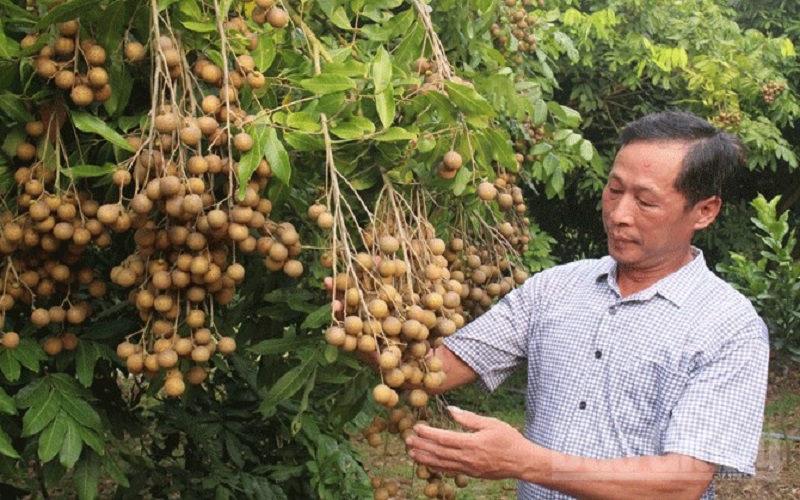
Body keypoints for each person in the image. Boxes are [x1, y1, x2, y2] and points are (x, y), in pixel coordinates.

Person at [403, 110, 770, 499]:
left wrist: (525, 462)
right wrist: (361, 310)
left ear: (705, 211)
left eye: (645, 201)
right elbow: (427, 372)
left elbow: (682, 482)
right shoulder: (554, 289)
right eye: (614, 190)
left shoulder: (730, 327)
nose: (619, 214)